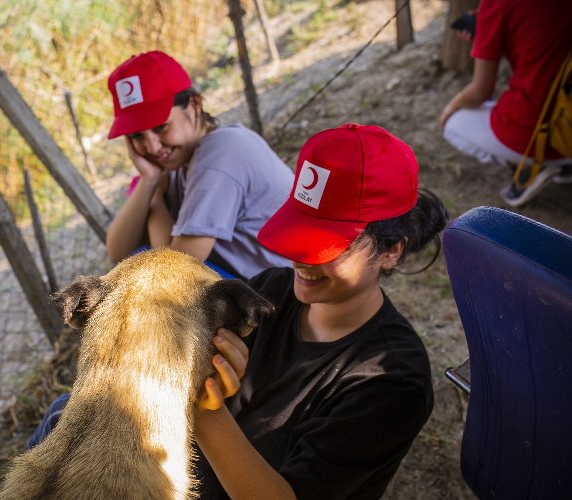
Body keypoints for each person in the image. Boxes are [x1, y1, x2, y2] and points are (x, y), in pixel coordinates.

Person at [29, 123, 449, 499]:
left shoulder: (390, 380)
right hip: (176, 466)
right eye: (299, 231)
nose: (301, 261)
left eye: (327, 246)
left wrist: (204, 410)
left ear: (392, 251)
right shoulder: (274, 289)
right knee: (62, 414)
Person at [104, 50, 293, 280]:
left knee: (148, 273)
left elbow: (175, 273)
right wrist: (148, 181)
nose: (152, 147)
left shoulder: (222, 150)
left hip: (287, 297)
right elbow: (117, 251)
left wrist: (154, 200)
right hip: (256, 287)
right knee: (138, 259)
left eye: (161, 127)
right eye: (136, 136)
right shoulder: (174, 164)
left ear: (194, 105)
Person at [439, 0, 572, 207]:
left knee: (453, 124)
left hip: (541, 135)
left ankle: (528, 167)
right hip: (567, 120)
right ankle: (565, 167)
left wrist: (451, 106)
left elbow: (480, 92)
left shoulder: (496, 4)